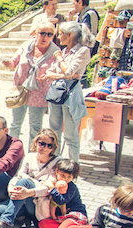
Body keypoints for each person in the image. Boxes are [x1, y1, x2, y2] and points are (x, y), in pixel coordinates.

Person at [41, 21, 94, 162]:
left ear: (69, 35)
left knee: (71, 134)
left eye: (61, 34)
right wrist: (63, 74)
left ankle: (73, 167)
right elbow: (51, 71)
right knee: (54, 132)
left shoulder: (83, 51)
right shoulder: (64, 51)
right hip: (56, 93)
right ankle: (55, 163)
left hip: (71, 95)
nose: (58, 37)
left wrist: (59, 60)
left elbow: (70, 71)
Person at [2, 21, 60, 148]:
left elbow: (56, 70)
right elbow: (14, 62)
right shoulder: (26, 46)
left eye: (49, 34)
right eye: (42, 33)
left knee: (35, 126)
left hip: (39, 93)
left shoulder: (55, 51)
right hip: (20, 90)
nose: (45, 37)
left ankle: (32, 153)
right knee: (15, 123)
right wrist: (9, 63)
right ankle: (12, 151)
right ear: (36, 33)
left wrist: (48, 75)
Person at [38, 159, 90, 228]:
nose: (65, 179)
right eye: (62, 175)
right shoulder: (55, 182)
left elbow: (61, 201)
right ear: (57, 171)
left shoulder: (72, 187)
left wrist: (52, 189)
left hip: (74, 216)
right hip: (62, 217)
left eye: (69, 177)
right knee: (42, 224)